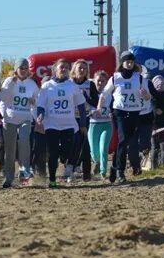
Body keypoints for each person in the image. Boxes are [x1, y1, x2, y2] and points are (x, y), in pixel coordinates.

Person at [97, 51, 151, 183]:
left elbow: (148, 97)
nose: (129, 64)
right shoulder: (115, 78)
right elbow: (104, 94)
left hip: (134, 112)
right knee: (122, 140)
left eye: (132, 62)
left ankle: (114, 167)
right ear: (122, 63)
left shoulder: (139, 78)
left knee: (125, 142)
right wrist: (99, 107)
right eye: (127, 61)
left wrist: (145, 94)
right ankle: (121, 171)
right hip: (119, 111)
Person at [36, 58, 87, 187]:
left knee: (66, 152)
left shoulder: (72, 86)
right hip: (51, 124)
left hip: (69, 124)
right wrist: (40, 116)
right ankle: (52, 180)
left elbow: (81, 106)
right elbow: (40, 105)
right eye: (61, 67)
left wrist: (82, 124)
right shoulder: (47, 86)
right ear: (55, 69)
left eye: (66, 67)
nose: (63, 69)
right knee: (53, 154)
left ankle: (66, 162)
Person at [0, 58, 38, 188]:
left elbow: (38, 100)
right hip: (9, 118)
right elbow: (3, 98)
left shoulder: (32, 84)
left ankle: (24, 169)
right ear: (16, 69)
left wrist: (34, 102)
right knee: (10, 149)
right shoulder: (9, 81)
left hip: (25, 117)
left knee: (24, 139)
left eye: (26, 68)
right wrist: (12, 82)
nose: (24, 70)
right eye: (21, 68)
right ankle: (8, 177)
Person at [70, 59, 99, 181]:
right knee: (73, 145)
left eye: (84, 68)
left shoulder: (90, 84)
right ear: (74, 70)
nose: (82, 70)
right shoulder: (69, 83)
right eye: (79, 68)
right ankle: (70, 170)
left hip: (85, 117)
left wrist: (86, 98)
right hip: (70, 118)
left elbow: (96, 102)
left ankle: (87, 173)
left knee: (86, 146)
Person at [88, 70, 112, 179]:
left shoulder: (110, 95)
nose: (101, 83)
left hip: (107, 124)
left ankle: (103, 172)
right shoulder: (90, 94)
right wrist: (91, 112)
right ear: (94, 81)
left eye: (103, 81)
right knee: (94, 152)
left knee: (103, 149)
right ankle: (96, 162)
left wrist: (113, 113)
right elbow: (84, 110)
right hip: (94, 125)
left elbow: (115, 107)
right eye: (98, 81)